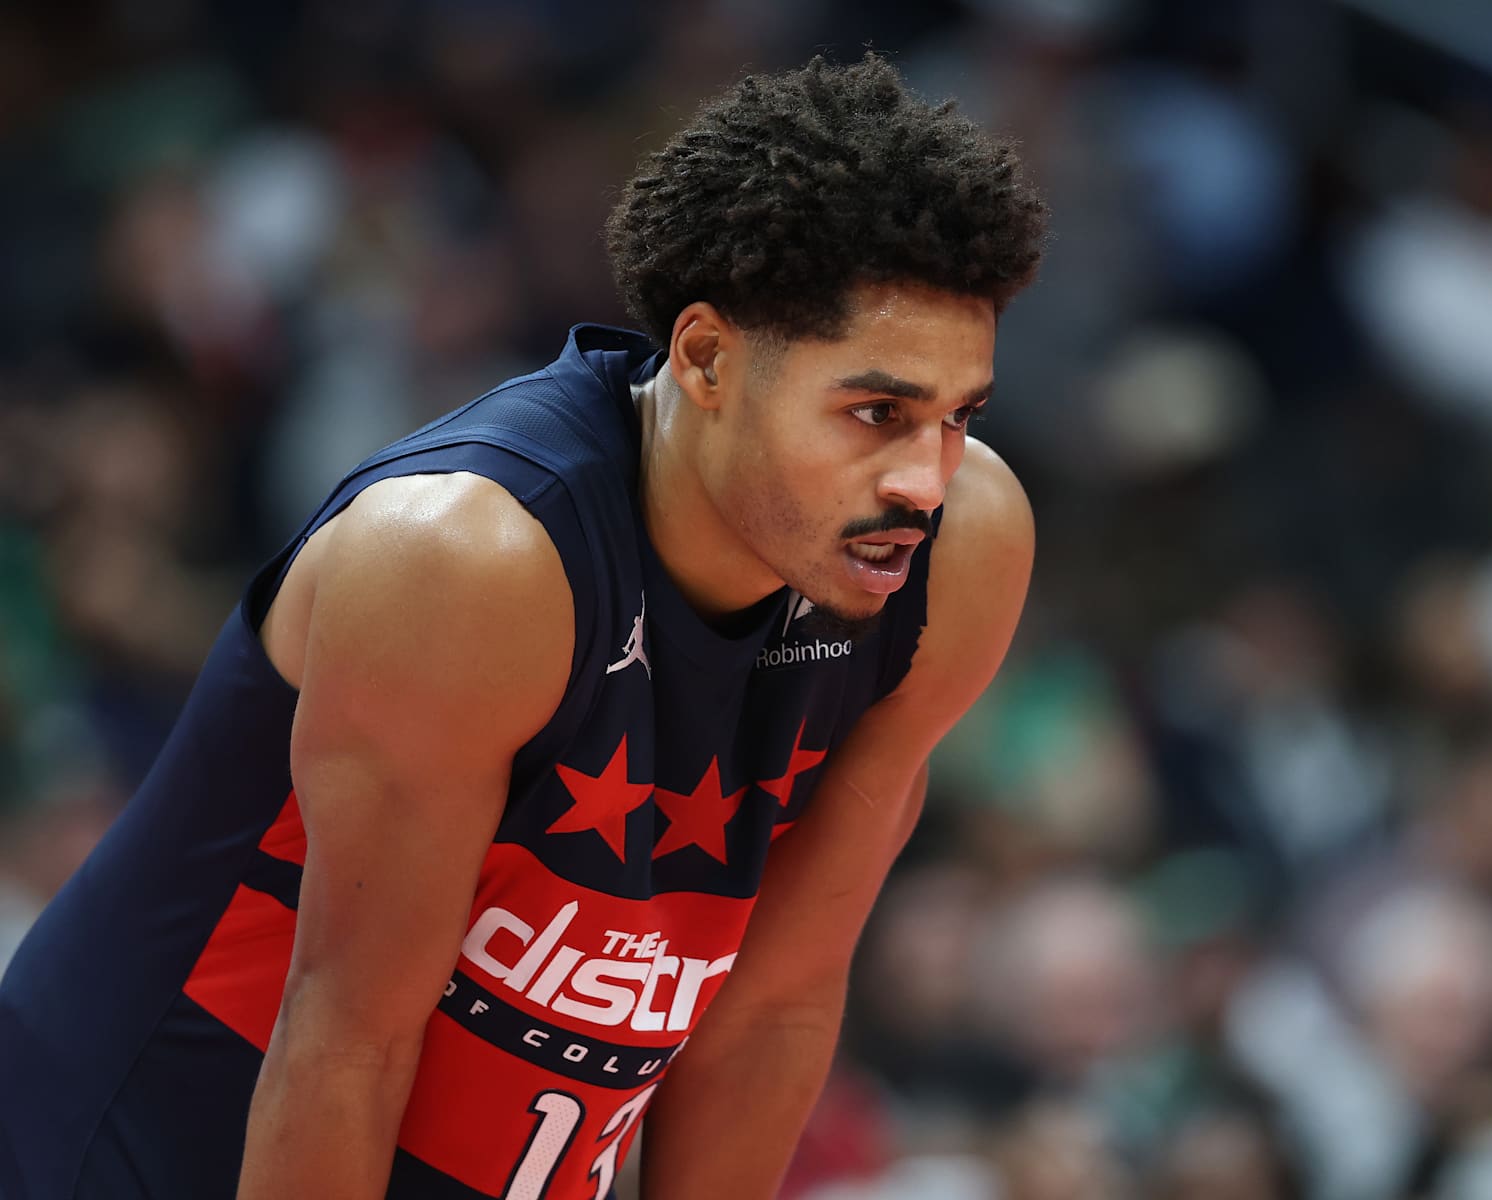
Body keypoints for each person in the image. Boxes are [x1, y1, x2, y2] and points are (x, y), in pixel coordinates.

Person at [0, 54, 1046, 1199]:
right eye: (877, 413)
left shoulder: (961, 547)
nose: (925, 480)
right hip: (141, 1143)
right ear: (705, 359)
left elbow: (773, 1006)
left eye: (957, 419)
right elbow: (347, 1045)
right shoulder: (471, 558)